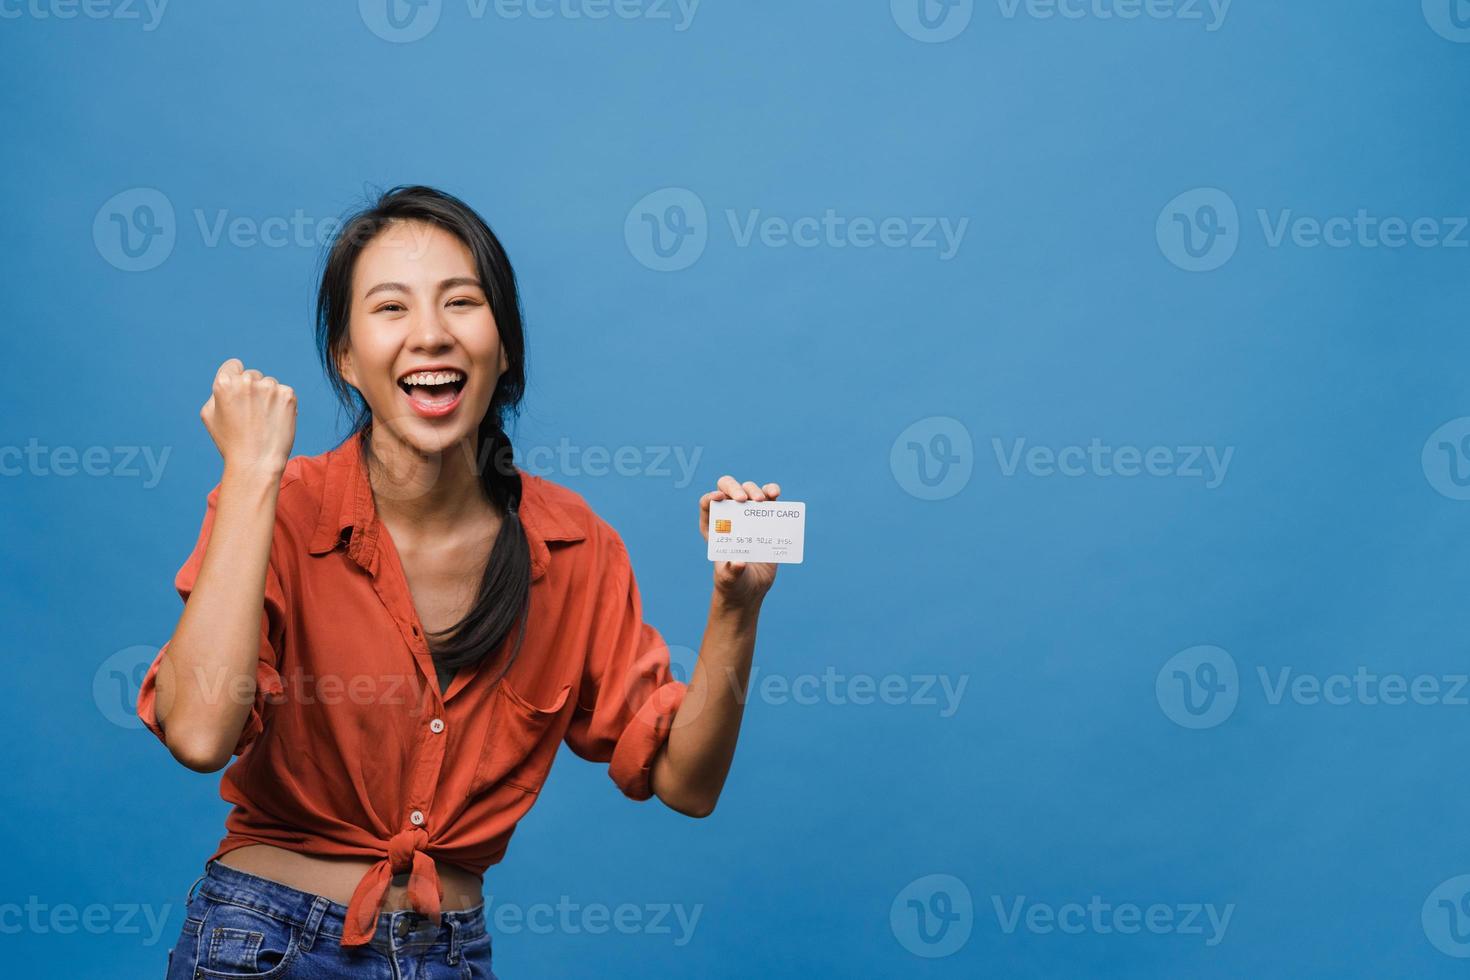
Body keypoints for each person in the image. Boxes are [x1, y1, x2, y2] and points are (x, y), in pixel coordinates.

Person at [137, 185, 782, 978]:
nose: (431, 335)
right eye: (391, 308)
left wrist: (735, 609)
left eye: (461, 303)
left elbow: (689, 784)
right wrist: (250, 476)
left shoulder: (573, 547)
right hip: (263, 946)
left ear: (503, 346)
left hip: (447, 955)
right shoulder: (278, 506)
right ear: (345, 355)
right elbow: (198, 734)